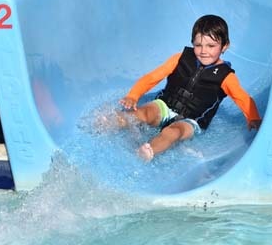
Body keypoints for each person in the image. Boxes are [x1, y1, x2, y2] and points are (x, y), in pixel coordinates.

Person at [110, 14, 262, 161]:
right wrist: (133, 96)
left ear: (224, 46)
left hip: (191, 121)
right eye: (198, 45)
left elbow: (242, 98)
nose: (204, 51)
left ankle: (149, 150)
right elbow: (153, 77)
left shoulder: (226, 76)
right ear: (192, 43)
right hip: (164, 105)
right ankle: (112, 122)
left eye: (211, 46)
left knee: (173, 132)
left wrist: (253, 117)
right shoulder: (180, 58)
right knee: (144, 112)